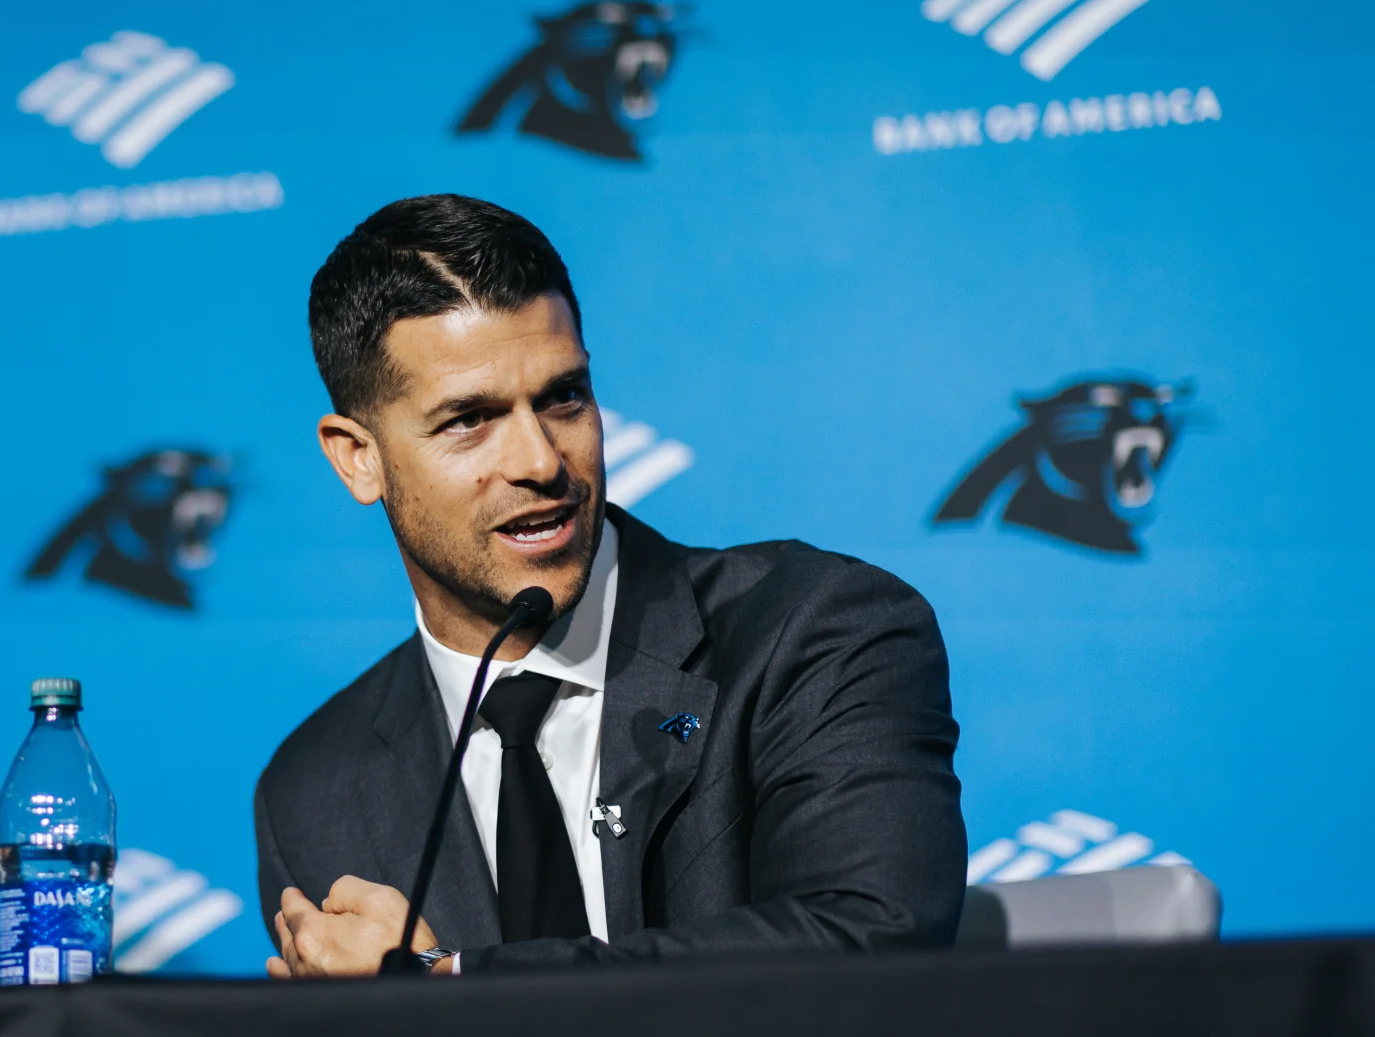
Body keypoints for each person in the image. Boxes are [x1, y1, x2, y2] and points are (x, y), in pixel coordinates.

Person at [257, 196, 963, 978]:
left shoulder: (815, 631)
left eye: (563, 397)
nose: (539, 461)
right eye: (469, 420)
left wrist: (449, 983)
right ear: (359, 458)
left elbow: (869, 947)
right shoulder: (315, 787)